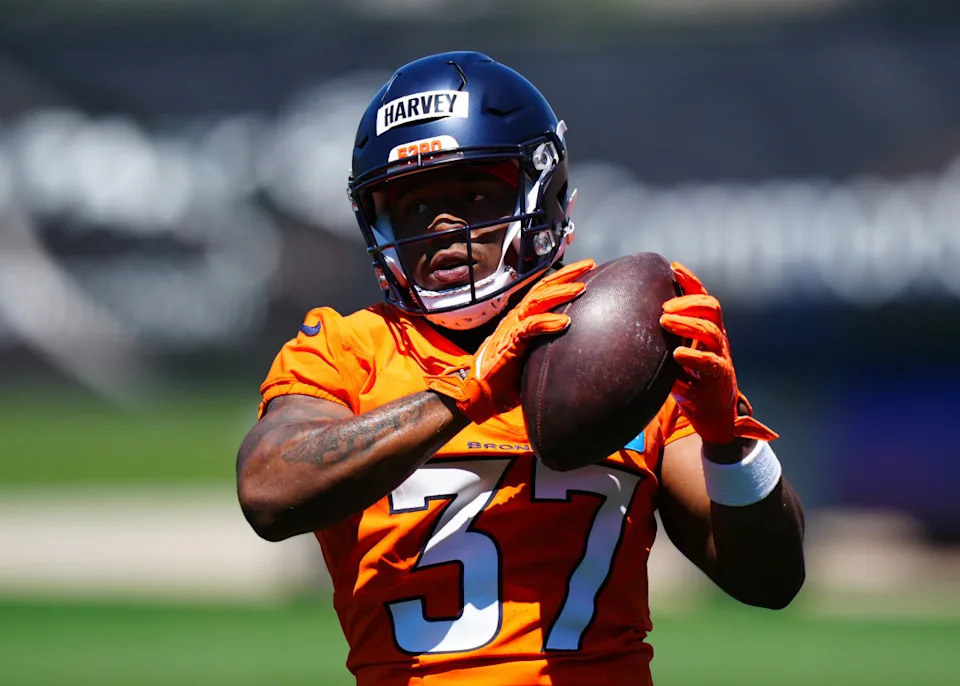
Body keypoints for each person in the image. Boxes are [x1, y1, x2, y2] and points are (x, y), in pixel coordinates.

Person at [236, 51, 805, 686]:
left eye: (475, 196)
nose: (444, 230)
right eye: (415, 208)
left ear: (546, 195)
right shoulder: (347, 348)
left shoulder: (625, 346)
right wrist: (467, 389)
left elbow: (772, 579)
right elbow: (269, 493)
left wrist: (729, 444)